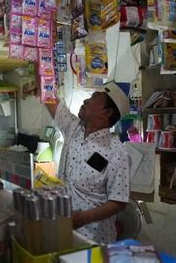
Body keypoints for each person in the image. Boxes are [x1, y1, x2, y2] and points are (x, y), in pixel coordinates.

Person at [46, 82, 131, 244]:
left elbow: (118, 201)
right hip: (63, 230)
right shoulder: (74, 129)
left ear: (107, 112)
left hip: (92, 239)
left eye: (94, 97)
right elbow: (49, 98)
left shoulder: (117, 152)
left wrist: (83, 218)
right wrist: (43, 65)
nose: (86, 101)